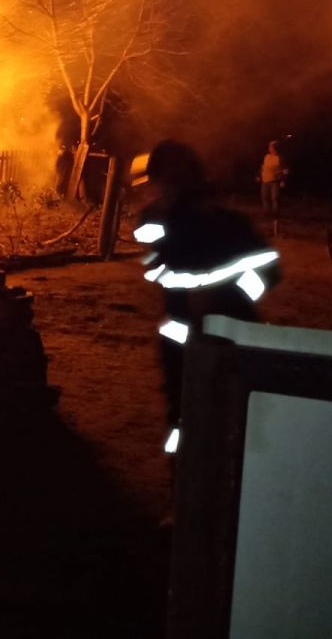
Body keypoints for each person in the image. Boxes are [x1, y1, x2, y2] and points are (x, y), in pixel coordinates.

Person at [131, 140, 279, 458]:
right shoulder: (160, 220)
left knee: (225, 414)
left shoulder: (227, 224)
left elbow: (269, 271)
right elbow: (154, 256)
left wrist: (227, 298)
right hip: (183, 340)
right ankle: (183, 474)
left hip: (228, 337)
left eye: (168, 180)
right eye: (161, 181)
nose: (163, 188)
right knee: (183, 411)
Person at [259, 140, 288, 220]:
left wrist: (283, 180)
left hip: (275, 181)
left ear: (276, 148)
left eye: (272, 147)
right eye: (270, 147)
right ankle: (266, 213)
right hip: (265, 180)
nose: (270, 148)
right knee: (265, 197)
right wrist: (260, 175)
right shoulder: (266, 156)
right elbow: (263, 167)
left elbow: (285, 170)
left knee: (275, 198)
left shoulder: (280, 158)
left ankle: (276, 214)